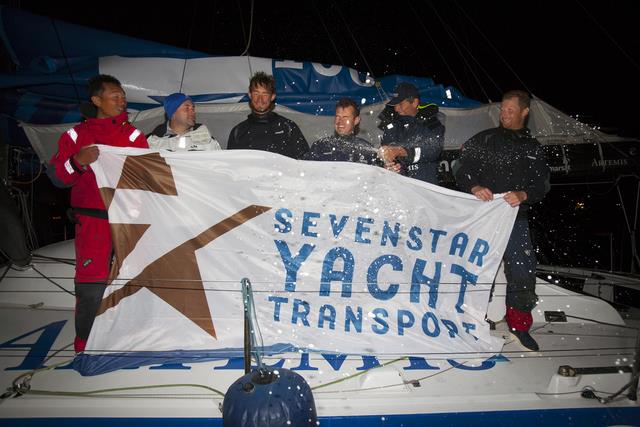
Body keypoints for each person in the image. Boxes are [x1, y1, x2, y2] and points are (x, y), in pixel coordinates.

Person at [46, 74, 149, 353]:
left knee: (133, 279)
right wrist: (77, 161)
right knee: (91, 283)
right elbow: (57, 176)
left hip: (128, 220)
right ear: (96, 100)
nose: (122, 100)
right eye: (115, 95)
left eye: (123, 95)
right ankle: (85, 345)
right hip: (92, 220)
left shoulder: (134, 136)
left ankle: (130, 338)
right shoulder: (76, 135)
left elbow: (147, 177)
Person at [454, 90, 550, 351]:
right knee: (477, 269)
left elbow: (542, 185)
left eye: (510, 110)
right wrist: (473, 186)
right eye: (502, 109)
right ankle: (471, 320)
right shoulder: (484, 139)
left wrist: (524, 194)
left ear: (524, 112)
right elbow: (458, 167)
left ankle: (519, 325)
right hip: (484, 218)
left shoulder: (533, 149)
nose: (504, 114)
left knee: (522, 270)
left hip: (516, 220)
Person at [227, 71, 309, 159]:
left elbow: (305, 162)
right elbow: (231, 166)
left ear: (272, 96)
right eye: (256, 94)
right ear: (250, 95)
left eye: (265, 94)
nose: (260, 99)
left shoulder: (288, 127)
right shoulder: (238, 131)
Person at [377, 82, 445, 184]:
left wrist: (400, 151)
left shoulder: (431, 123)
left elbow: (433, 150)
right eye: (395, 104)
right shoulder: (392, 125)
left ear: (414, 102)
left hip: (425, 186)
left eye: (400, 104)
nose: (396, 108)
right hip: (399, 186)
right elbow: (386, 149)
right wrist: (388, 163)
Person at [305, 97, 377, 164]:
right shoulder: (319, 146)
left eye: (345, 117)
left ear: (356, 120)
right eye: (338, 117)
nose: (340, 122)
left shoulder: (367, 150)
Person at [147, 92, 221, 151]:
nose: (193, 112)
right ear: (173, 113)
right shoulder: (153, 141)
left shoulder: (207, 140)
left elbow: (219, 165)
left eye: (193, 109)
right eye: (187, 109)